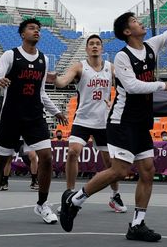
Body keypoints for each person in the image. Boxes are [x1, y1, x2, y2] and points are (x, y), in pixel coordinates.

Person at [59, 0, 167, 242]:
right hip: (122, 121)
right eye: (136, 21)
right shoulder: (122, 57)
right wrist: (162, 86)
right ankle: (75, 199)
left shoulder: (152, 47)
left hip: (141, 122)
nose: (141, 23)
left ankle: (137, 224)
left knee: (148, 171)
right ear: (127, 31)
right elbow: (132, 86)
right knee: (120, 170)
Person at [0, 18, 68, 224]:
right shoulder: (11, 55)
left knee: (46, 158)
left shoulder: (44, 59)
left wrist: (56, 112)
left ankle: (42, 204)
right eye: (32, 28)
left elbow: (41, 92)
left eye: (39, 29)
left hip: (34, 116)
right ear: (22, 34)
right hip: (10, 116)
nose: (37, 32)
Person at [49, 35, 127, 213]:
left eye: (98, 44)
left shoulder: (110, 67)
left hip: (104, 122)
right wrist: (56, 79)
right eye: (91, 44)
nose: (94, 46)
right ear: (86, 49)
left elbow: (127, 84)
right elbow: (63, 81)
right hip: (83, 119)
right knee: (72, 152)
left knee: (111, 164)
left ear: (102, 48)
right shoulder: (79, 66)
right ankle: (69, 194)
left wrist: (114, 103)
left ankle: (115, 195)